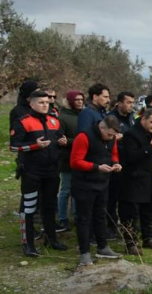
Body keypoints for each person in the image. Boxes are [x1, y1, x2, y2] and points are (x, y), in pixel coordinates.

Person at [10, 91, 68, 257]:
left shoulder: (55, 121)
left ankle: (52, 239)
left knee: (50, 206)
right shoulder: (23, 122)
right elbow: (13, 147)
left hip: (51, 171)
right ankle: (28, 244)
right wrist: (34, 146)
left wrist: (61, 142)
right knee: (28, 207)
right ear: (32, 104)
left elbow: (57, 141)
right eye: (41, 102)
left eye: (47, 102)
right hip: (31, 171)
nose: (45, 105)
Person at [70, 115, 123, 265]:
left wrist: (116, 163)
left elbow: (113, 153)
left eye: (113, 135)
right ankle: (84, 253)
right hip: (84, 184)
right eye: (109, 134)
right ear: (101, 128)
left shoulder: (111, 137)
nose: (110, 138)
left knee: (100, 215)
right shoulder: (84, 136)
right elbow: (75, 161)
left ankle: (103, 246)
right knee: (84, 218)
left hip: (102, 183)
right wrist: (96, 167)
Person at [120, 109, 152, 255]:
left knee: (148, 211)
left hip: (149, 178)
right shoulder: (131, 134)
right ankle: (130, 243)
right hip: (134, 179)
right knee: (131, 214)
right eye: (151, 122)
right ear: (143, 119)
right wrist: (149, 148)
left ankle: (148, 238)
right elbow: (131, 156)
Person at [106, 92, 136, 239]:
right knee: (112, 196)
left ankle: (127, 225)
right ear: (119, 103)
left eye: (132, 102)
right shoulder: (111, 118)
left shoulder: (131, 117)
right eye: (129, 102)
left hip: (129, 162)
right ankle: (110, 226)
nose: (131, 105)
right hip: (115, 161)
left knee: (126, 196)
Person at [57, 90, 85, 232]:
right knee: (66, 190)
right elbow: (60, 140)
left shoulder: (84, 115)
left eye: (81, 99)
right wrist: (72, 141)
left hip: (82, 159)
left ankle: (77, 216)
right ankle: (62, 218)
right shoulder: (62, 118)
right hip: (67, 159)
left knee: (77, 190)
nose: (80, 102)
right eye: (77, 99)